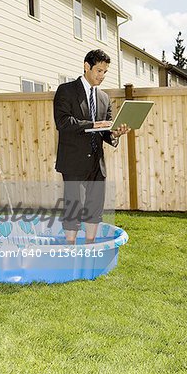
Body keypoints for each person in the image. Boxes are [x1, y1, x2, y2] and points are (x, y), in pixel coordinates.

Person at [54, 49, 130, 244]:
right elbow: (63, 123)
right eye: (98, 71)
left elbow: (107, 130)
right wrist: (93, 124)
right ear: (86, 66)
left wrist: (115, 133)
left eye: (105, 72)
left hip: (98, 163)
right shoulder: (66, 90)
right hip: (73, 162)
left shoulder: (104, 98)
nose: (101, 76)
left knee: (95, 208)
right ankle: (69, 248)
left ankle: (90, 246)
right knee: (73, 207)